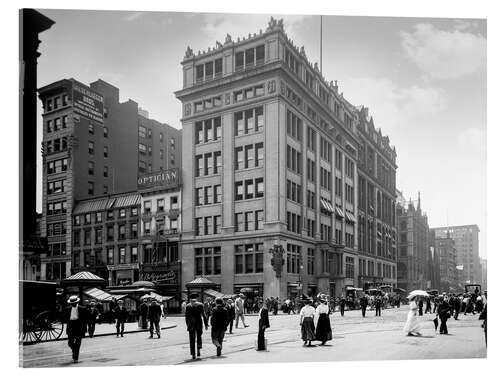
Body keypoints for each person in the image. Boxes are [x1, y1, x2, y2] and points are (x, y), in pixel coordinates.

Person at [64, 295, 88, 363]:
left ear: (77, 302)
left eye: (73, 303)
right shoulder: (67, 309)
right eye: (71, 303)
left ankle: (75, 358)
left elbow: (85, 320)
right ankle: (74, 351)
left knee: (78, 343)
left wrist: (85, 329)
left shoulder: (82, 308)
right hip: (71, 326)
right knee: (70, 343)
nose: (72, 304)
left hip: (79, 326)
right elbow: (65, 318)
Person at [185, 293, 208, 360]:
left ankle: (193, 354)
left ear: (190, 299)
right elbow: (204, 315)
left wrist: (187, 325)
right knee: (199, 337)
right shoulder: (200, 304)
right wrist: (206, 324)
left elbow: (186, 317)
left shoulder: (188, 306)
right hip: (199, 323)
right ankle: (198, 349)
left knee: (192, 339)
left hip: (191, 324)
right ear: (196, 298)